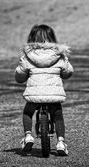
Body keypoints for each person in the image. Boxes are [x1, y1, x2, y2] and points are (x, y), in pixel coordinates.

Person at [15, 24, 74, 156]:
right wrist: (63, 73)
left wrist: (21, 75)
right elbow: (68, 72)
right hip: (53, 95)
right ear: (52, 39)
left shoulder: (28, 56)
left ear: (31, 39)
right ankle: (60, 142)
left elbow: (20, 75)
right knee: (57, 115)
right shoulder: (59, 54)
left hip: (34, 95)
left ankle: (28, 136)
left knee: (28, 112)